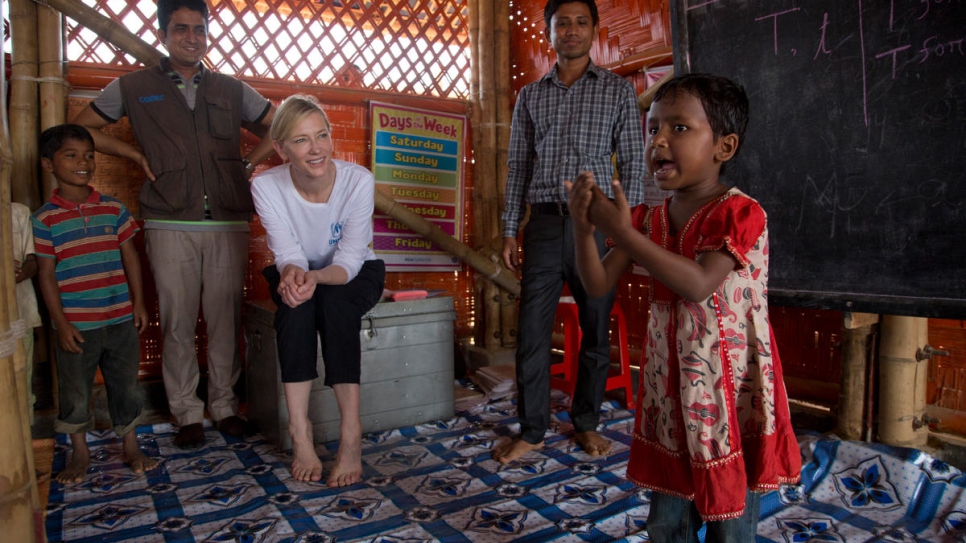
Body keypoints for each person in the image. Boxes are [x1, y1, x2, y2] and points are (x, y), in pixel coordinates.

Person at [566, 74, 801, 541]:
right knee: (665, 522)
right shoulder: (648, 219)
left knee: (730, 523)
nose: (659, 141)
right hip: (668, 395)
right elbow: (596, 284)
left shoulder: (740, 213)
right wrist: (581, 227)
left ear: (725, 147)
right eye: (652, 128)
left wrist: (627, 235)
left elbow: (698, 284)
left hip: (726, 396)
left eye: (678, 128)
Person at [72, 0, 277, 449]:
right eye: (181, 29)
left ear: (207, 35)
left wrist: (249, 163)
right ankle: (186, 411)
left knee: (224, 320)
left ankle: (224, 407)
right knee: (179, 322)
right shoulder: (133, 86)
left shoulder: (231, 88)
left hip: (227, 220)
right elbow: (81, 129)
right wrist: (131, 153)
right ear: (164, 35)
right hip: (166, 217)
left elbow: (283, 124)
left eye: (199, 29)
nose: (191, 37)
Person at [495, 0, 646, 464]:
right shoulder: (530, 96)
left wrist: (626, 231)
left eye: (582, 22)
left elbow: (635, 163)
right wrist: (508, 230)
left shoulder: (617, 91)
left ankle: (586, 424)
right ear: (549, 32)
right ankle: (533, 430)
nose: (573, 31)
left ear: (595, 31)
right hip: (542, 224)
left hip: (598, 226)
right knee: (532, 333)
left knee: (595, 328)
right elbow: (518, 164)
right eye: (563, 23)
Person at [250, 95, 385, 487]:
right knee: (294, 309)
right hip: (298, 266)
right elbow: (287, 251)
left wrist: (316, 279)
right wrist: (295, 274)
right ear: (280, 149)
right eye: (301, 140)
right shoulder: (266, 185)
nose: (316, 149)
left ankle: (350, 433)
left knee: (335, 304)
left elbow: (351, 257)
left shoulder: (358, 180)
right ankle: (300, 431)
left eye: (321, 135)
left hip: (354, 270)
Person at [32, 124, 159, 484]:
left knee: (126, 385)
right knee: (75, 391)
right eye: (70, 156)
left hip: (120, 317)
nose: (83, 162)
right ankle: (80, 452)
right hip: (76, 325)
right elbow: (45, 274)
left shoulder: (113, 208)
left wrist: (138, 303)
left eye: (89, 155)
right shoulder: (44, 219)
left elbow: (130, 257)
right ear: (48, 164)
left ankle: (132, 446)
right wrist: (61, 323)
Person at [11, 201, 41, 423]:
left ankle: (25, 450)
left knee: (22, 381)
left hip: (21, 312)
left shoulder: (18, 212)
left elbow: (33, 261)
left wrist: (18, 271)